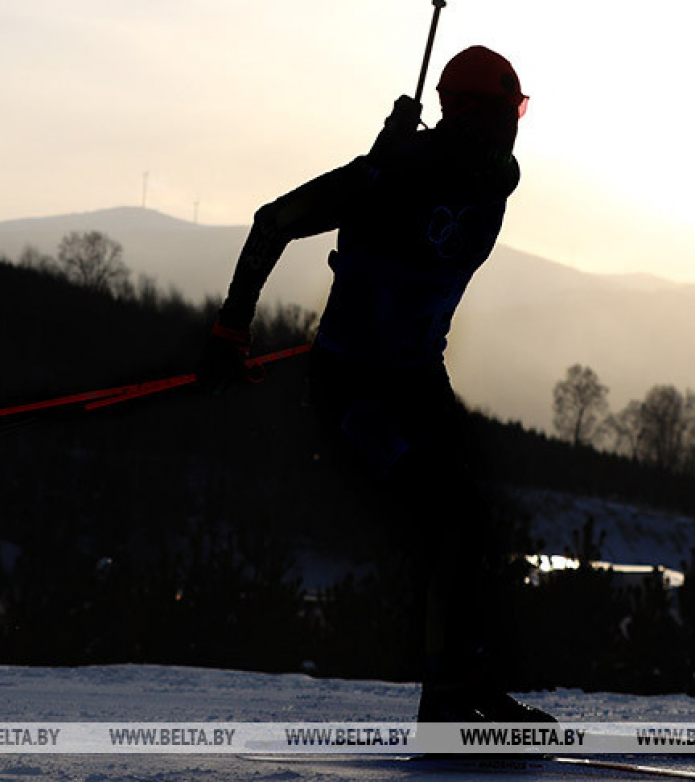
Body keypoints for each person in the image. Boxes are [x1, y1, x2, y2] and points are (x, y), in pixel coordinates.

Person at [200, 46, 553, 723]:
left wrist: (389, 146)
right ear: (481, 115)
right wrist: (229, 331)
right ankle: (451, 697)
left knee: (468, 521)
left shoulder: (446, 172)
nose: (517, 125)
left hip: (416, 380)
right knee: (452, 517)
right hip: (356, 390)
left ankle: (461, 687)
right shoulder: (440, 174)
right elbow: (273, 219)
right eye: (514, 110)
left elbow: (312, 214)